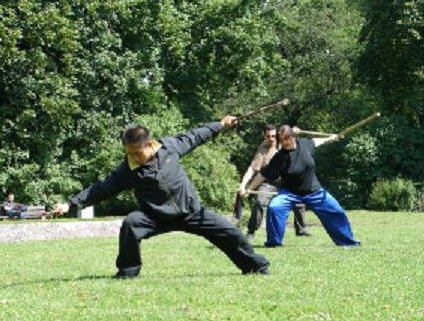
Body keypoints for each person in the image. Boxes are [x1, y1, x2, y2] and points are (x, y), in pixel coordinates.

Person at [54, 116, 270, 278]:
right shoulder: (127, 170)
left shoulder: (170, 147)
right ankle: (127, 272)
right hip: (155, 216)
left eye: (137, 153)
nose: (133, 157)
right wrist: (70, 204)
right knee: (131, 224)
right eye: (129, 153)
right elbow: (100, 189)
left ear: (150, 145)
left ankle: (255, 266)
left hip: (191, 212)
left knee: (230, 232)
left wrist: (221, 125)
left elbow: (195, 136)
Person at [241, 125, 360, 248]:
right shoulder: (280, 157)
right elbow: (262, 174)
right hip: (289, 193)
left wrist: (331, 138)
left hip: (314, 191)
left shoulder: (304, 144)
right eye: (282, 142)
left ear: (293, 137)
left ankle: (348, 242)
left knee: (336, 211)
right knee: (275, 207)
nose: (285, 145)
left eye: (287, 141)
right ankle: (274, 243)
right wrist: (249, 188)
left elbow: (316, 141)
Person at [238, 124, 310, 240]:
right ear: (264, 136)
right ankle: (251, 231)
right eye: (268, 136)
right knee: (260, 202)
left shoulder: (283, 143)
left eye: (273, 136)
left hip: (286, 182)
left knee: (299, 200)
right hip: (268, 183)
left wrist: (294, 132)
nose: (271, 139)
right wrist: (243, 185)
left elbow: (296, 143)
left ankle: (301, 229)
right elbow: (252, 168)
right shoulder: (263, 149)